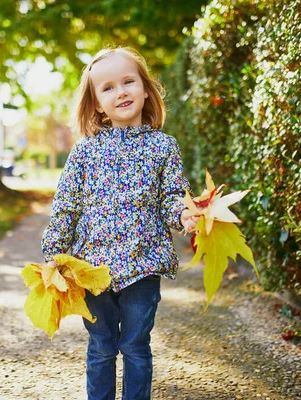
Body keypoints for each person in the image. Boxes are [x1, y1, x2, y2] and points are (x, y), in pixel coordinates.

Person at [41, 46, 199, 400]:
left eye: (129, 82)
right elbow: (66, 205)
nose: (121, 92)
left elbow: (172, 195)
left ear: (145, 90)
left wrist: (184, 214)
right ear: (97, 102)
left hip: (143, 265)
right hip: (92, 269)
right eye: (108, 87)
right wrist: (55, 252)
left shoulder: (163, 147)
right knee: (101, 346)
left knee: (136, 346)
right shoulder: (85, 150)